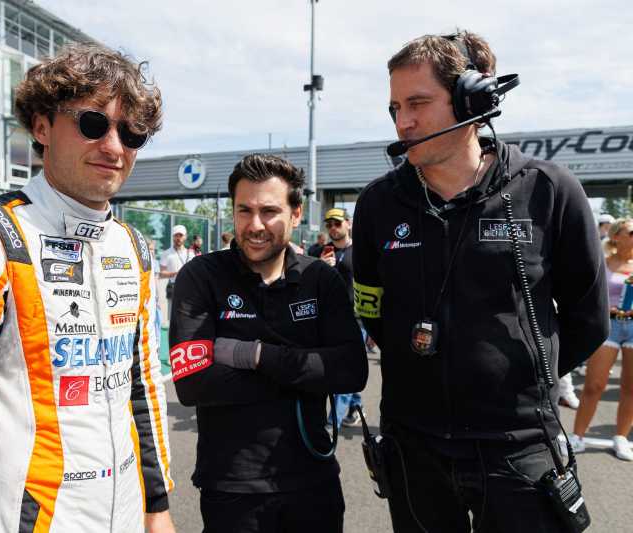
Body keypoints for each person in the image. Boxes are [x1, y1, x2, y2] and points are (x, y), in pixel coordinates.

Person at [0, 43, 175, 533]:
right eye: (93, 123)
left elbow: (142, 387)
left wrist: (157, 505)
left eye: (132, 133)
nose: (114, 146)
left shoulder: (135, 246)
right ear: (42, 127)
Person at [353, 31, 608, 532]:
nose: (403, 122)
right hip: (414, 447)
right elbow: (371, 309)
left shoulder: (550, 191)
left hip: (520, 445)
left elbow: (588, 319)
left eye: (419, 103)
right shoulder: (378, 205)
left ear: (474, 101)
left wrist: (517, 379)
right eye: (394, 108)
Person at [170, 153, 367, 533]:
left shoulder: (320, 280)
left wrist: (252, 353)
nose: (255, 225)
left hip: (313, 482)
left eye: (269, 211)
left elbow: (350, 371)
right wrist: (306, 369)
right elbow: (192, 384)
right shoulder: (201, 276)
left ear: (296, 215)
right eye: (244, 211)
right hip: (232, 488)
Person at [570, 218, 633, 461]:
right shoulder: (602, 263)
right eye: (631, 232)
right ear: (616, 236)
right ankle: (577, 436)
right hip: (608, 326)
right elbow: (589, 294)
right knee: (594, 385)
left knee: (630, 387)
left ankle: (621, 437)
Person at [320, 207, 363, 428]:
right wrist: (323, 268)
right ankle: (355, 407)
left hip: (357, 320)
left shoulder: (361, 251)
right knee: (349, 368)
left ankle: (331, 425)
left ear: (348, 223)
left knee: (345, 370)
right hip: (330, 320)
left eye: (337, 223)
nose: (333, 229)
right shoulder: (322, 251)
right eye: (329, 225)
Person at [160, 224, 195, 320]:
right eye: (176, 235)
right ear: (173, 237)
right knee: (173, 318)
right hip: (173, 287)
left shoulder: (191, 254)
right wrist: (176, 273)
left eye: (181, 235)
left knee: (187, 318)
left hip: (189, 289)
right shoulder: (166, 253)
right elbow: (162, 273)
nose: (178, 238)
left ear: (185, 237)